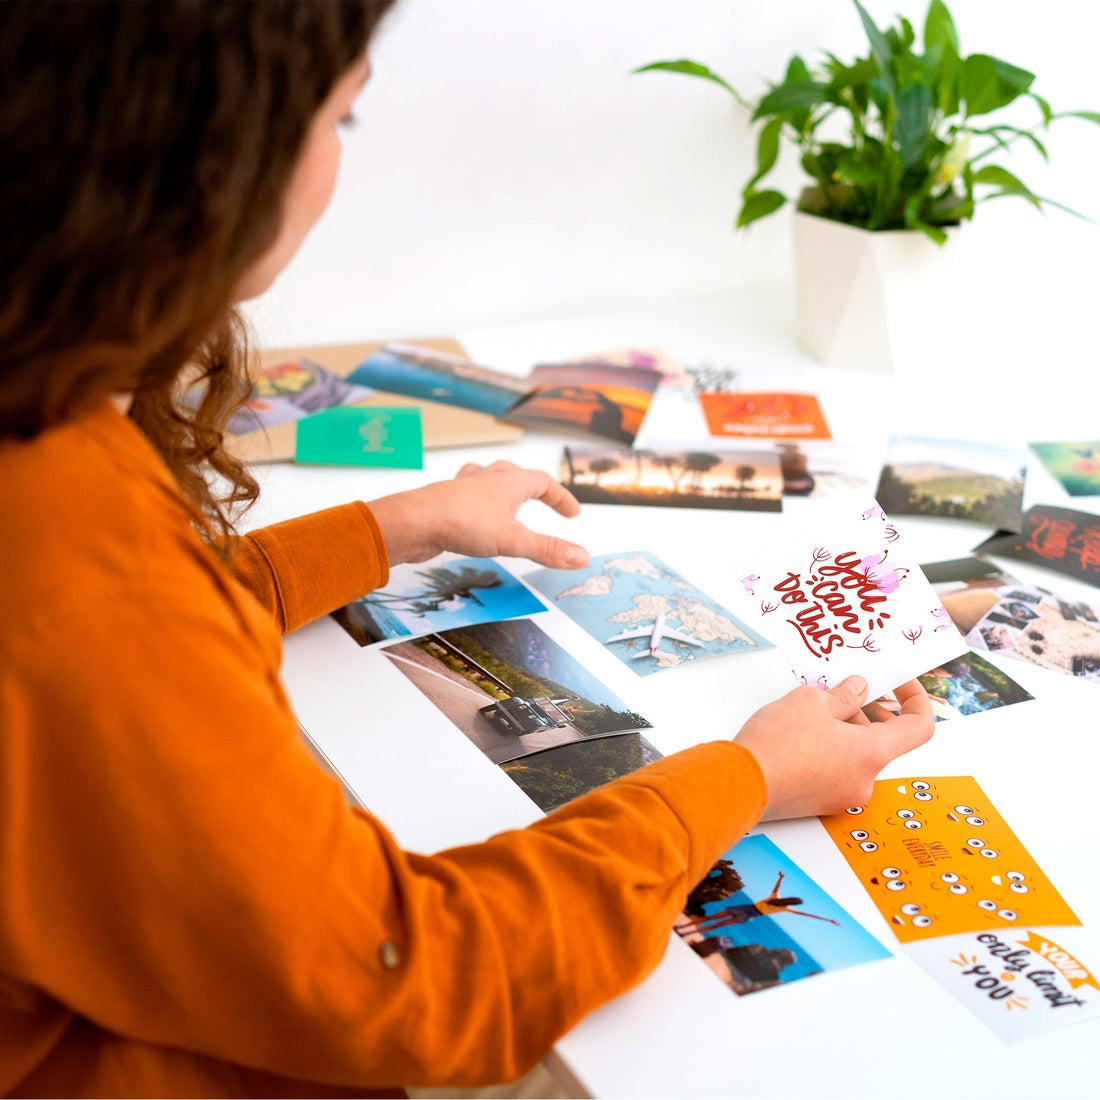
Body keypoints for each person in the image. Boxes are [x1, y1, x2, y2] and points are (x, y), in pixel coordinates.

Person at [0, 2, 935, 1096]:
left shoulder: (52, 456)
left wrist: (390, 527)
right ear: (210, 153)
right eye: (341, 121)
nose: (335, 162)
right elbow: (421, 978)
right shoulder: (77, 553)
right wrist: (750, 772)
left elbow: (126, 646)